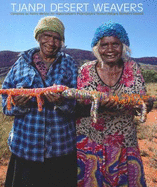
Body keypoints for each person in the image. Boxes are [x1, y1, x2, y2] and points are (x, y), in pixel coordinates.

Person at [2, 16, 78, 187]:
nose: (51, 42)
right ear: (38, 37)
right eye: (47, 36)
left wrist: (61, 102)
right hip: (25, 147)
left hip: (60, 149)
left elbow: (78, 103)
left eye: (57, 38)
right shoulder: (21, 64)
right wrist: (17, 104)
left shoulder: (69, 64)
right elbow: (4, 102)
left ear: (61, 41)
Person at [76, 21, 153, 186]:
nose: (110, 49)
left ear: (123, 46)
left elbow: (142, 103)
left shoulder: (132, 68)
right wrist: (99, 105)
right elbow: (79, 104)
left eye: (115, 44)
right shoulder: (86, 70)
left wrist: (145, 105)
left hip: (124, 142)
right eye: (104, 45)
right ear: (97, 48)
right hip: (91, 141)